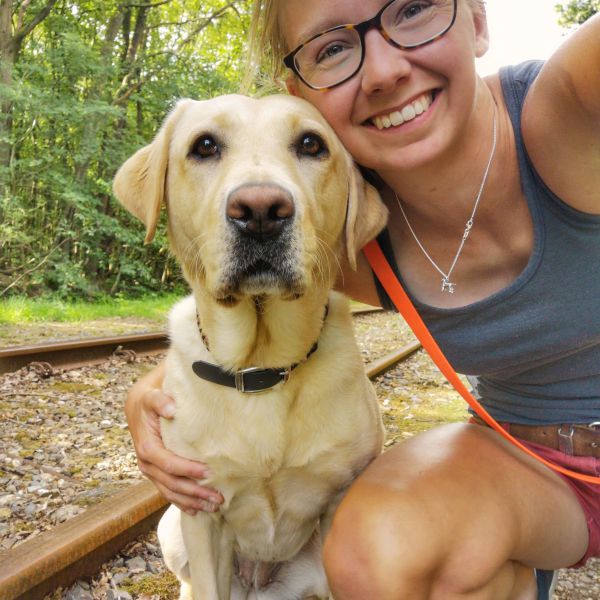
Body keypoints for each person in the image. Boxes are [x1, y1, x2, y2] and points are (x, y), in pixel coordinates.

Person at [124, 1, 600, 597]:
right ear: (304, 92)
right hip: (533, 468)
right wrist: (150, 391)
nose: (381, 71)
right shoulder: (350, 238)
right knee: (381, 550)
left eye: (414, 8)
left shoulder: (571, 106)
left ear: (477, 20)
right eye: (332, 47)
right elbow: (229, 315)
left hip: (525, 473)